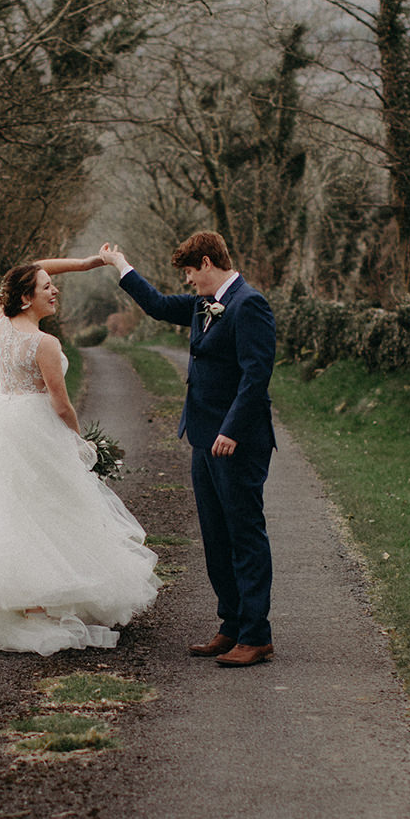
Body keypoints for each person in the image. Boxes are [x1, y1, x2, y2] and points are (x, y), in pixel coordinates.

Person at [0, 257, 160, 655]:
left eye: (54, 284)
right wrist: (82, 445)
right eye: (46, 287)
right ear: (27, 297)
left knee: (12, 512)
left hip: (1, 423)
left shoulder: (2, 320)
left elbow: (29, 266)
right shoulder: (44, 343)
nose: (54, 291)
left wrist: (84, 265)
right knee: (52, 510)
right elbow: (62, 405)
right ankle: (39, 603)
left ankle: (24, 601)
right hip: (36, 428)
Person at [100, 233, 277, 667]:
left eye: (189, 272)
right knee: (216, 536)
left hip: (237, 442)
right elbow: (158, 305)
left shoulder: (248, 304)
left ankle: (256, 635)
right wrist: (120, 265)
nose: (188, 281)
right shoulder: (204, 305)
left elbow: (257, 376)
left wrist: (232, 429)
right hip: (203, 438)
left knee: (244, 533)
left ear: (206, 262)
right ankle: (231, 626)